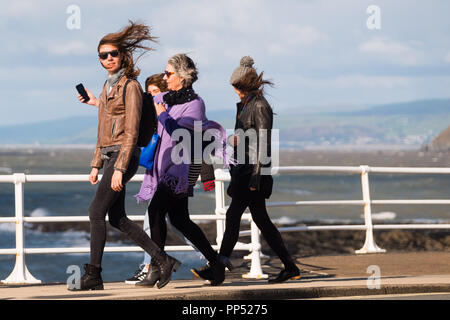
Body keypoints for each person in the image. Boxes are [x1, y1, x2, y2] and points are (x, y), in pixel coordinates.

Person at [71, 21, 180, 291]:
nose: (108, 59)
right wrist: (96, 164)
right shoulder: (108, 87)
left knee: (95, 211)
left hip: (124, 156)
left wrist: (119, 168)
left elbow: (130, 130)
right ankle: (163, 260)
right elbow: (103, 128)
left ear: (123, 56)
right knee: (116, 217)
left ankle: (94, 274)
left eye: (113, 54)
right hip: (110, 156)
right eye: (103, 55)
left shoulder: (129, 86)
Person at [191, 56, 301, 285]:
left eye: (238, 87)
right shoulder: (247, 105)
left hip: (252, 174)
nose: (235, 91)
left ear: (247, 85)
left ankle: (218, 269)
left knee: (233, 218)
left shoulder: (259, 106)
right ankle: (290, 267)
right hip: (245, 171)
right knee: (262, 222)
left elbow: (264, 143)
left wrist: (256, 178)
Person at [135, 53, 232, 287]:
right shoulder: (166, 98)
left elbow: (183, 135)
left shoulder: (195, 104)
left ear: (181, 77)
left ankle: (159, 265)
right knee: (180, 219)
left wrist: (163, 114)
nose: (164, 77)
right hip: (165, 166)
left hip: (181, 170)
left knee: (155, 211)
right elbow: (139, 106)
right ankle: (216, 267)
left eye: (168, 73)